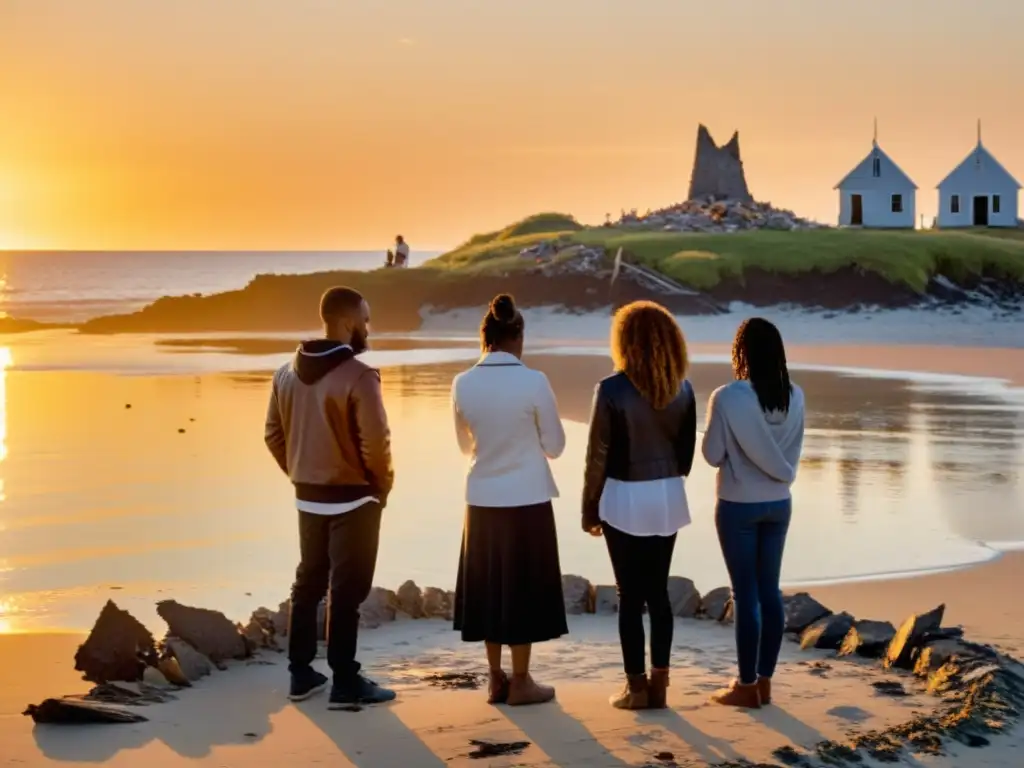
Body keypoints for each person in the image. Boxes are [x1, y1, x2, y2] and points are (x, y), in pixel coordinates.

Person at [264, 286, 397, 708]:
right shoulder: (360, 375)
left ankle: (301, 674)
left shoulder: (284, 372)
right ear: (346, 322)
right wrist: (381, 487)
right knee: (347, 590)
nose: (368, 326)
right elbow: (376, 443)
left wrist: (302, 472)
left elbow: (273, 434)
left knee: (308, 581)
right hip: (355, 498)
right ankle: (344, 681)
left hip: (308, 497)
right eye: (365, 318)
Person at [451, 293, 568, 706]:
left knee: (489, 585)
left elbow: (464, 445)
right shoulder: (534, 381)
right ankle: (521, 680)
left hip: (481, 497)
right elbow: (555, 445)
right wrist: (526, 441)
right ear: (518, 336)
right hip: (527, 496)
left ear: (485, 338)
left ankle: (495, 678)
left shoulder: (462, 383)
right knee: (521, 588)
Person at [581, 300, 696, 711]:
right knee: (659, 593)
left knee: (630, 597)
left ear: (625, 341)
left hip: (624, 495)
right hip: (666, 494)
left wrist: (588, 510)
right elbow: (686, 456)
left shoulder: (611, 389)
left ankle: (636, 687)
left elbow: (597, 456)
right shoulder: (683, 388)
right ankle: (661, 685)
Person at [701, 317, 804, 709]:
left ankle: (744, 686)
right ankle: (764, 682)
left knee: (745, 596)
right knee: (769, 591)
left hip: (738, 505)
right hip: (779, 503)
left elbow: (712, 456)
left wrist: (732, 441)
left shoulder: (727, 397)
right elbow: (791, 452)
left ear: (740, 353)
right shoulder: (796, 395)